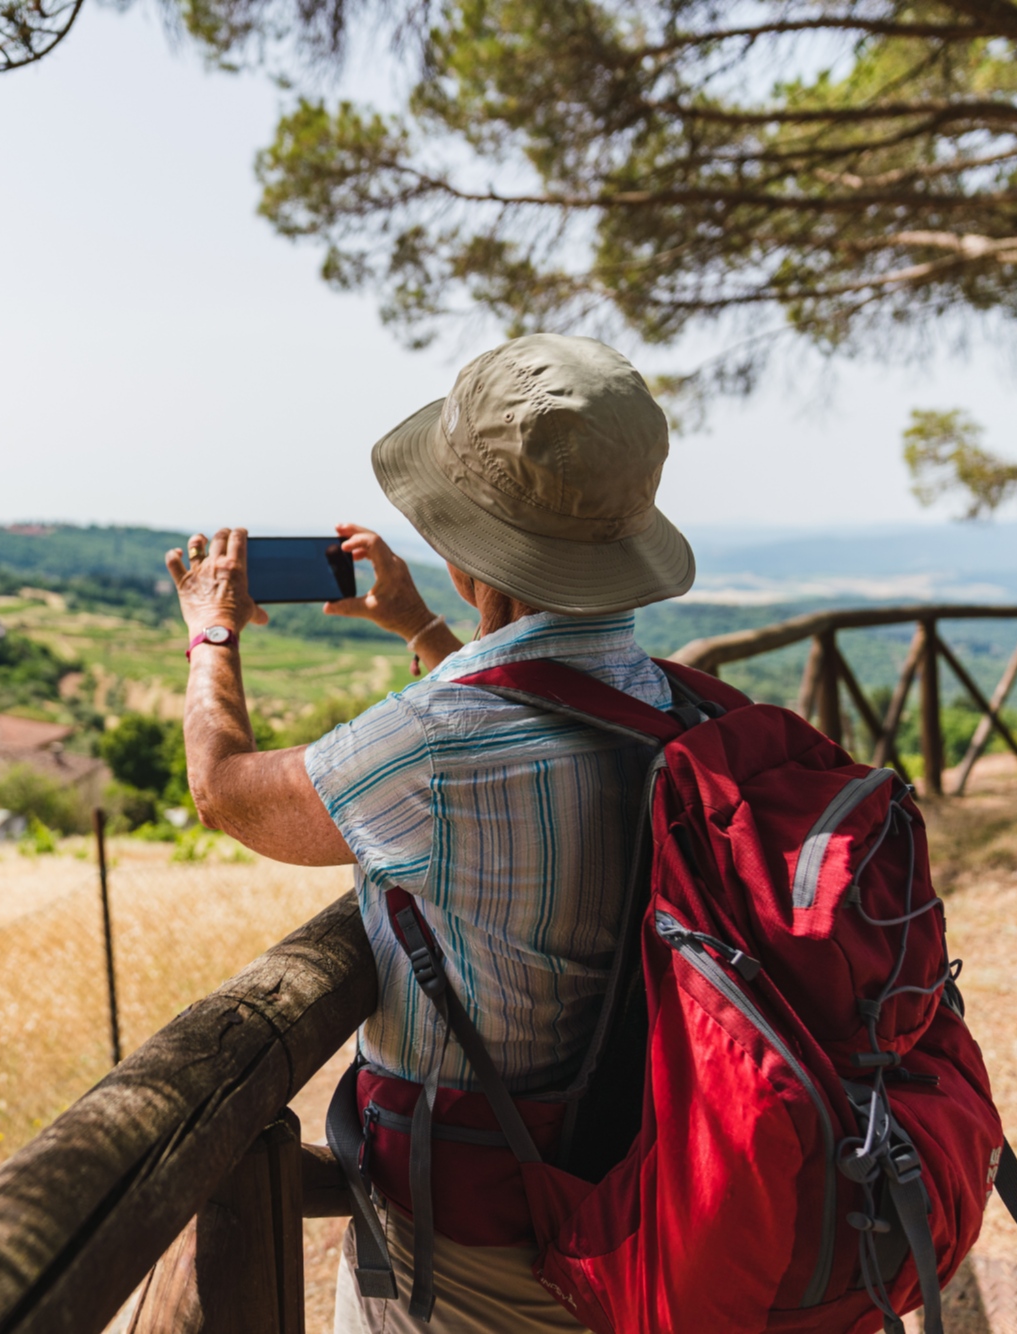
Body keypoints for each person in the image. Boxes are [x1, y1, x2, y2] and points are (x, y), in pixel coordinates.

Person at [164, 333, 695, 1333]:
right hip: (651, 1191)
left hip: (475, 1241)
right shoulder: (675, 705)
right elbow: (534, 710)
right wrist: (418, 628)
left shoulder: (430, 745)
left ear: (465, 549)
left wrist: (211, 632)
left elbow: (226, 789)